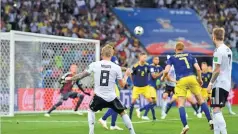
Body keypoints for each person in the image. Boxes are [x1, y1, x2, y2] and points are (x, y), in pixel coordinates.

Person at [66, 44, 136, 134]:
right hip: (112, 97)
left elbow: (81, 75)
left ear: (101, 54)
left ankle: (91, 132)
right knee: (122, 113)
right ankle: (132, 132)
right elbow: (122, 85)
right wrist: (126, 75)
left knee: (91, 110)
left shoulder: (94, 65)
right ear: (112, 55)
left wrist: (70, 78)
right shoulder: (116, 67)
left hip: (99, 96)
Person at [161, 42, 213, 134]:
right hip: (192, 78)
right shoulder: (190, 55)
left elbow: (166, 70)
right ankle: (210, 120)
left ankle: (185, 126)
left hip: (181, 80)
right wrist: (200, 80)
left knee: (181, 104)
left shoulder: (172, 58)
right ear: (183, 49)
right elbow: (198, 69)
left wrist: (163, 77)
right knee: (201, 100)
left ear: (175, 49)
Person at [207, 27, 232, 134]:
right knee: (216, 110)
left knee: (216, 111)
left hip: (219, 83)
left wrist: (210, 83)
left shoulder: (218, 50)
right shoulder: (228, 49)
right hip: (226, 84)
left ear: (214, 37)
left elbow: (217, 69)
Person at [98, 54, 124, 130]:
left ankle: (113, 125)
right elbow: (117, 68)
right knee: (116, 104)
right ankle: (103, 118)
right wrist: (126, 69)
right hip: (112, 84)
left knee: (115, 104)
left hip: (106, 84)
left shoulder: (102, 61)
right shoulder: (113, 58)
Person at [129, 53, 156, 120]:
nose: (145, 59)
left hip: (145, 87)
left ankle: (154, 117)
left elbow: (153, 75)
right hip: (137, 87)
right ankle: (130, 117)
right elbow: (131, 74)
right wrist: (133, 82)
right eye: (144, 57)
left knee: (151, 102)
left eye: (145, 57)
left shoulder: (147, 66)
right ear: (140, 57)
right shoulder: (135, 66)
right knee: (132, 102)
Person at [136, 56, 163, 120]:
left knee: (153, 103)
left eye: (158, 59)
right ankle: (142, 113)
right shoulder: (151, 67)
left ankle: (153, 117)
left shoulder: (159, 67)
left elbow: (164, 74)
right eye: (156, 59)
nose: (157, 60)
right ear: (153, 60)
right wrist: (162, 72)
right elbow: (154, 76)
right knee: (153, 103)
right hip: (150, 86)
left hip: (154, 86)